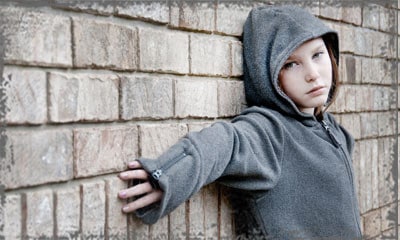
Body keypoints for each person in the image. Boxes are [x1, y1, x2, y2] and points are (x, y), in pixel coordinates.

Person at [117, 5, 362, 239]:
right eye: (291, 64)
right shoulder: (270, 132)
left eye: (317, 55)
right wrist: (167, 175)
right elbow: (225, 142)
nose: (313, 73)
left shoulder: (337, 131)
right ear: (268, 74)